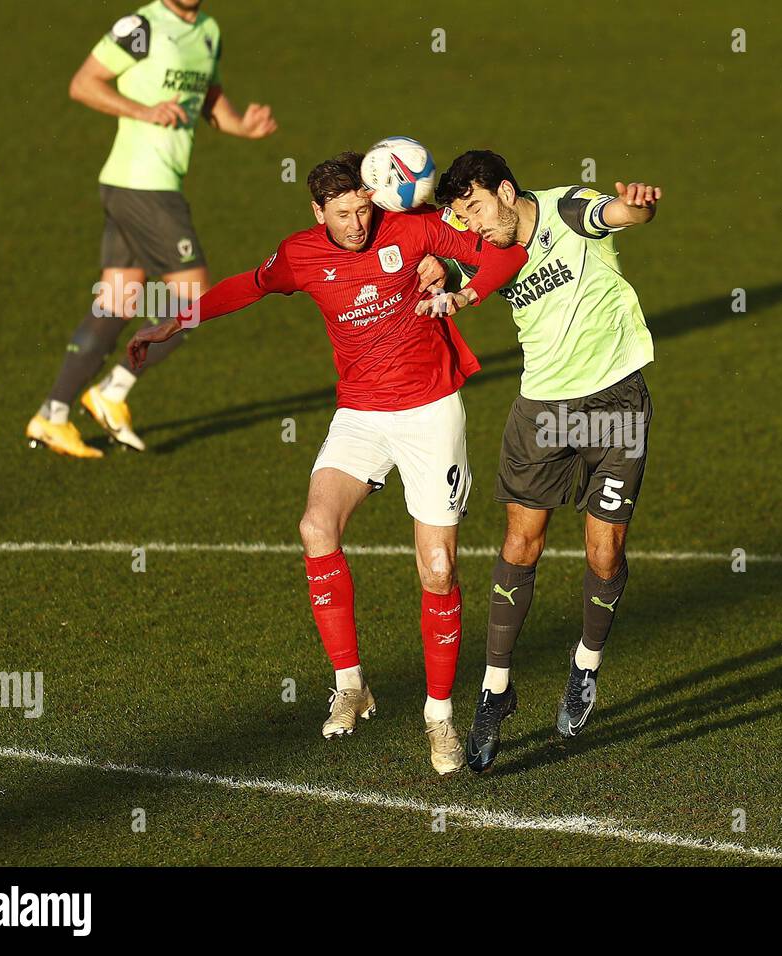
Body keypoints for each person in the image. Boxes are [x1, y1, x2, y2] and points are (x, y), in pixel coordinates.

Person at [128, 151, 527, 774]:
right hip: (361, 415)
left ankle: (440, 718)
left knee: (439, 568)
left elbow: (505, 251)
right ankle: (351, 684)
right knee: (317, 527)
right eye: (342, 216)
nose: (357, 225)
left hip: (430, 413)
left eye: (364, 210)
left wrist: (457, 281)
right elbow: (247, 287)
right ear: (318, 212)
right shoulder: (299, 254)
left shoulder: (412, 226)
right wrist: (171, 325)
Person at [431, 150, 660, 772]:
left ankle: (584, 669)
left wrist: (635, 206)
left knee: (604, 551)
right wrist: (433, 270)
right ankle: (496, 690)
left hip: (615, 401)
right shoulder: (481, 244)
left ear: (506, 191)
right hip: (543, 411)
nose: (473, 224)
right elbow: (444, 264)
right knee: (520, 542)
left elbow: (619, 214)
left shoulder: (566, 207)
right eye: (461, 215)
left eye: (477, 207)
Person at [28, 0, 277, 458]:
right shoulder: (141, 26)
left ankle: (52, 415)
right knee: (196, 301)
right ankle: (112, 391)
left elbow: (207, 96)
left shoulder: (208, 30)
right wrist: (143, 111)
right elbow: (84, 84)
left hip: (138, 185)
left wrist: (241, 125)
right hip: (145, 184)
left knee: (119, 300)